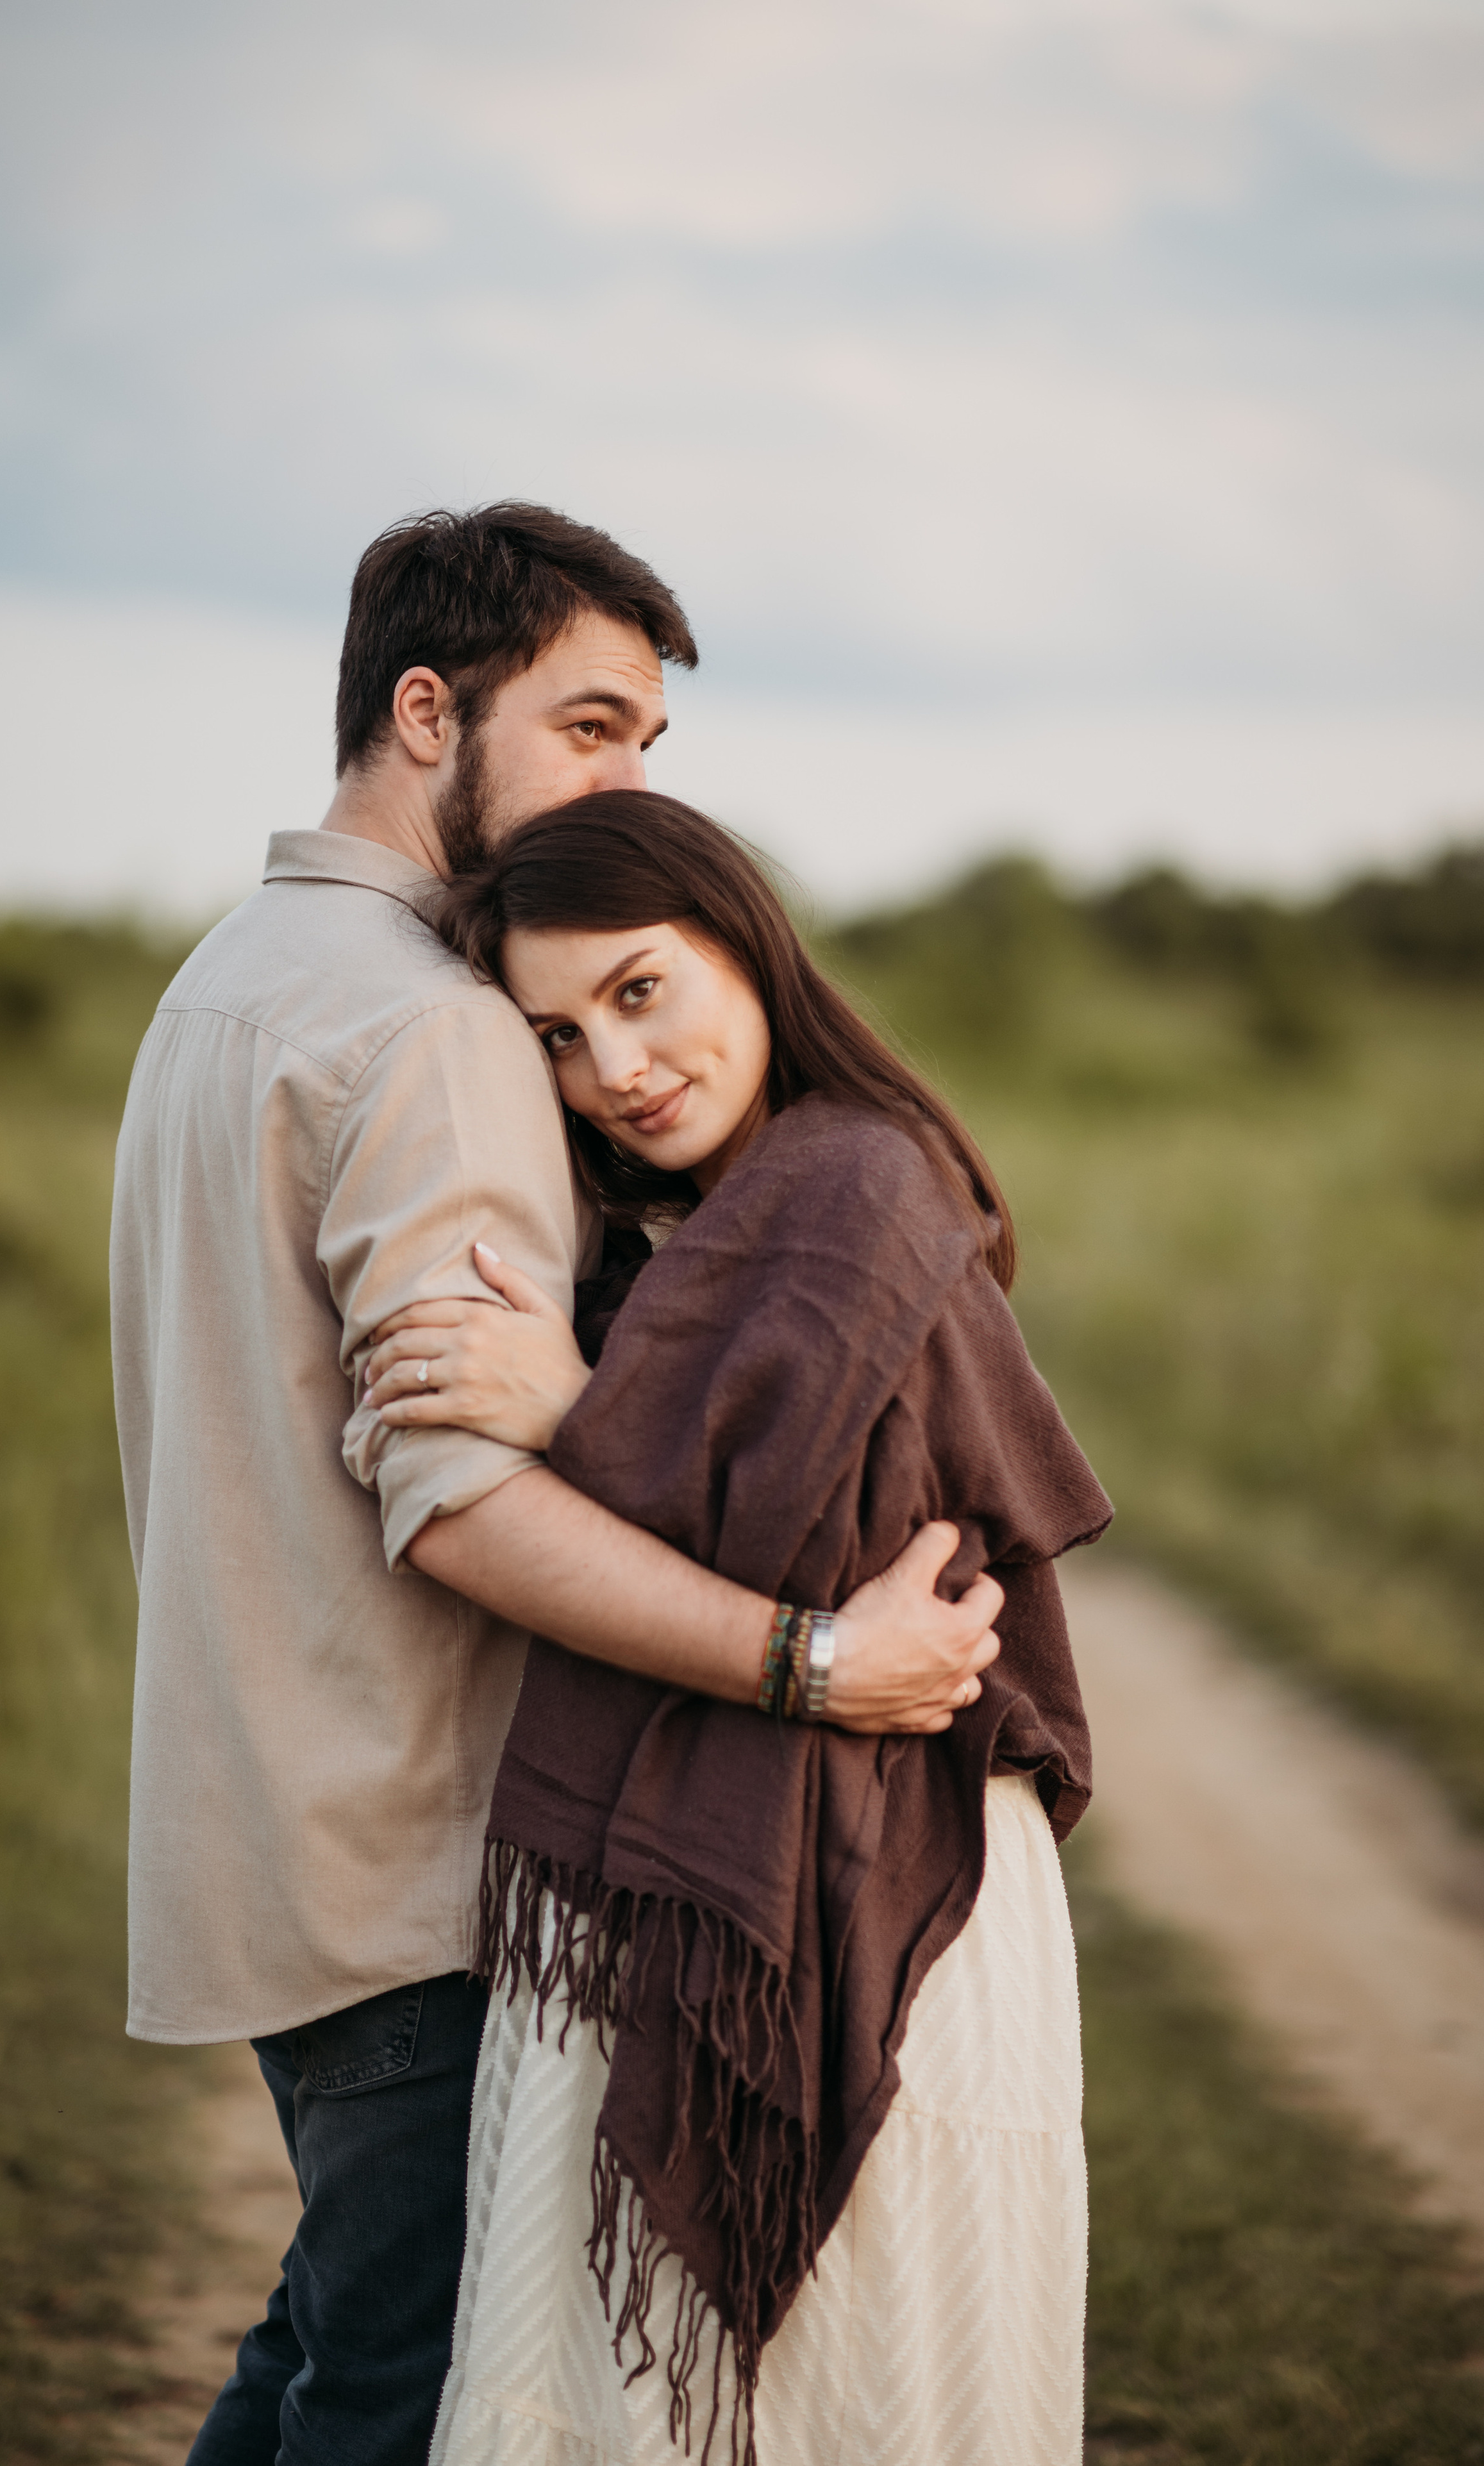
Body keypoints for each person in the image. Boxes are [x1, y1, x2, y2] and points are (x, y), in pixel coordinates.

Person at [110, 506, 1006, 2466]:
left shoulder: (227, 978)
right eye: (591, 725)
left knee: (326, 2346)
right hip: (409, 1849)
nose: (622, 780)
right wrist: (805, 1661)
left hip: (262, 1815)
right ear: (428, 712)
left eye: (644, 750)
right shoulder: (437, 1032)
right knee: (398, 2391)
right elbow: (458, 1500)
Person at [358, 791, 1112, 2466]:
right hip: (704, 1869)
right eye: (556, 1034)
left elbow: (806, 1530)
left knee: (860, 2385)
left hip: (888, 1869)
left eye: (640, 991)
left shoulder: (860, 1183)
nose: (614, 1067)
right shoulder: (665, 1232)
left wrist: (579, 1406)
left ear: (741, 941)